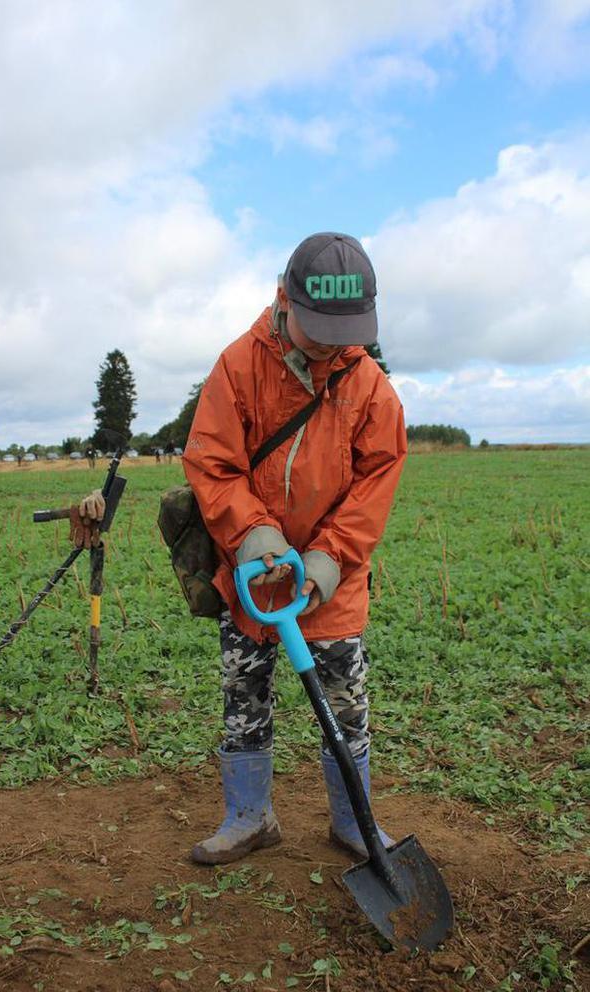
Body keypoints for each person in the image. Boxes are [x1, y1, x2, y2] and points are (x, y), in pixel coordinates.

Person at [179, 232, 407, 865]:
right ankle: (249, 818)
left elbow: (373, 490)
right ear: (284, 300)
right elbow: (212, 463)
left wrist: (328, 561)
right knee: (243, 696)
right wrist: (257, 535)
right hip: (254, 576)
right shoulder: (238, 367)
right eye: (319, 328)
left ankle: (353, 824)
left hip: (333, 583)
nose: (333, 343)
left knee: (345, 702)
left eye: (346, 329)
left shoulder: (372, 390)